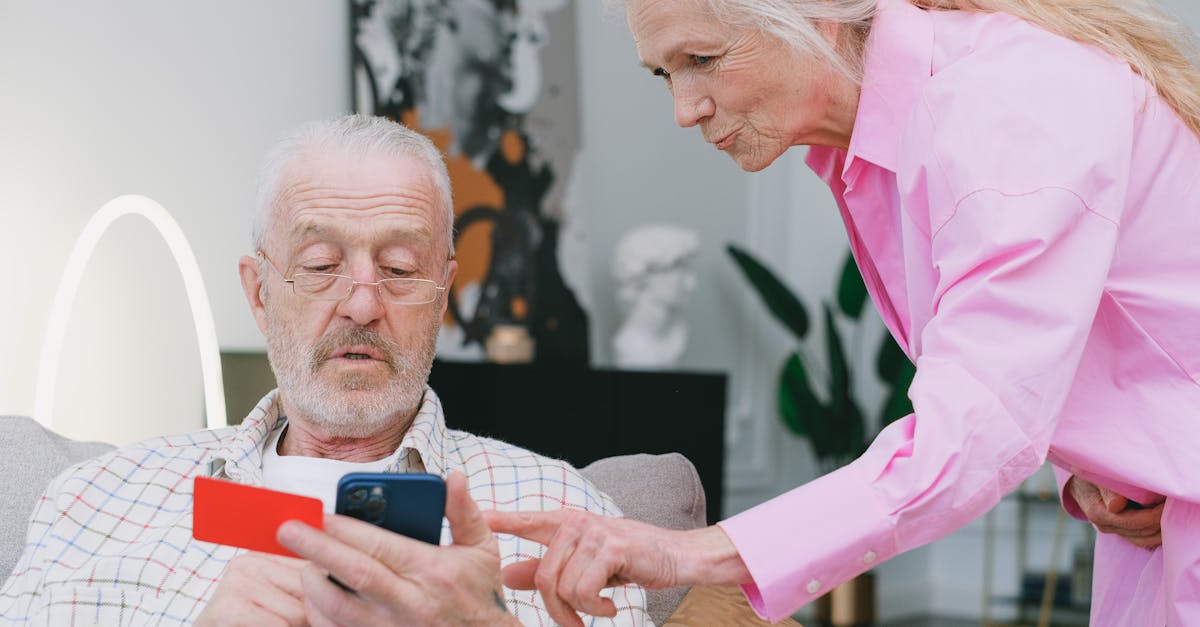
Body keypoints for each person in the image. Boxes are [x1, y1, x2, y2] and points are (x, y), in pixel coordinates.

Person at [487, 0, 1200, 624]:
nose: (684, 107)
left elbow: (974, 428)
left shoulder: (1006, 107)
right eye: (664, 73)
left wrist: (688, 551)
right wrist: (1118, 464)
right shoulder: (883, 148)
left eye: (701, 58)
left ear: (815, 11)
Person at [0, 114, 649, 626]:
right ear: (258, 293)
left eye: (398, 268)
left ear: (444, 292)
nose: (363, 303)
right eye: (318, 265)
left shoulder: (560, 512)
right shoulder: (94, 502)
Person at [611, 224, 700, 369]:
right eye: (681, 269)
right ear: (645, 275)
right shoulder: (632, 349)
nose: (691, 283)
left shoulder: (677, 335)